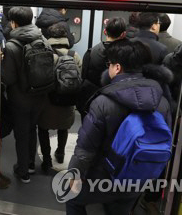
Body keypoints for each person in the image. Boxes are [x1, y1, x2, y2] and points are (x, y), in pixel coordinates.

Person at [66, 40, 173, 215]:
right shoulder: (162, 102)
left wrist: (73, 175)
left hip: (103, 179)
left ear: (117, 67)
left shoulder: (103, 102)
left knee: (72, 199)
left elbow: (85, 149)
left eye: (109, 64)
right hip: (138, 177)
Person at [1, 6, 48, 183]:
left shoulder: (12, 46)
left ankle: (23, 172)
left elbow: (9, 78)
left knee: (21, 134)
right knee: (32, 129)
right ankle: (30, 164)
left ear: (13, 23)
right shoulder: (42, 39)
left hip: (20, 98)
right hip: (40, 95)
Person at [37, 22, 81, 172]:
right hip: (67, 101)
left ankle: (47, 161)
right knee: (64, 128)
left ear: (49, 37)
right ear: (65, 37)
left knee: (43, 129)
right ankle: (60, 153)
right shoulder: (75, 56)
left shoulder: (45, 54)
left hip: (47, 101)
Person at [76, 17, 127, 117]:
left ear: (104, 31)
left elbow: (84, 77)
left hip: (91, 101)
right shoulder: (126, 55)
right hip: (116, 104)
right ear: (123, 34)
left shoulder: (90, 53)